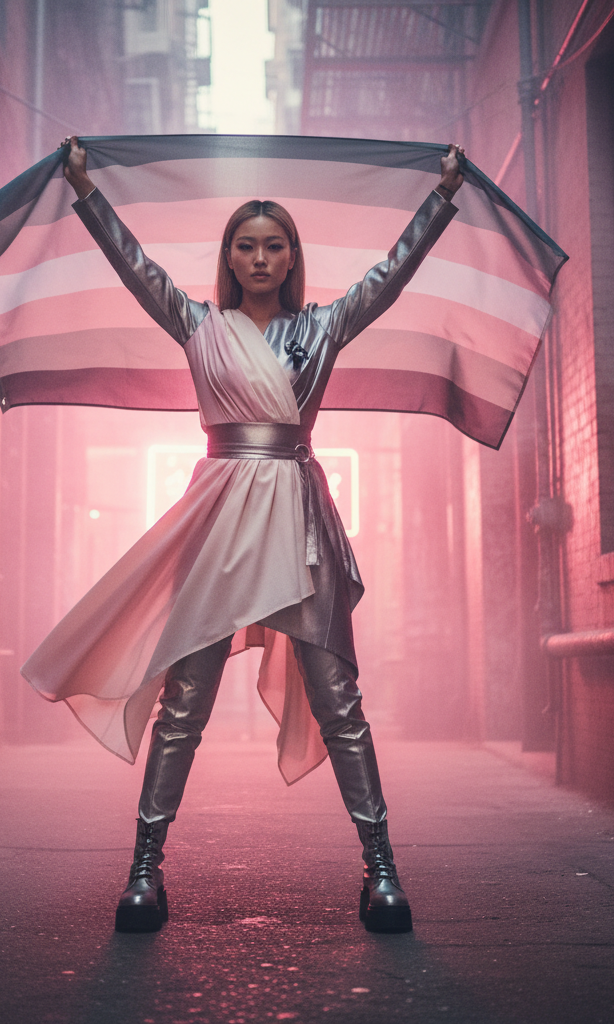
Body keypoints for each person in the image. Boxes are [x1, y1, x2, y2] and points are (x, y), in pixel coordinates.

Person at [28, 138, 465, 934]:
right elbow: (135, 267)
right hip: (220, 521)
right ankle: (144, 873)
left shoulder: (326, 327)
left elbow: (391, 276)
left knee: (340, 703)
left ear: (292, 257)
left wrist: (440, 201)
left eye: (274, 246)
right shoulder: (197, 323)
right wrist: (88, 193)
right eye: (246, 245)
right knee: (184, 704)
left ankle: (382, 872)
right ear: (229, 257)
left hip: (298, 519)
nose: (260, 258)